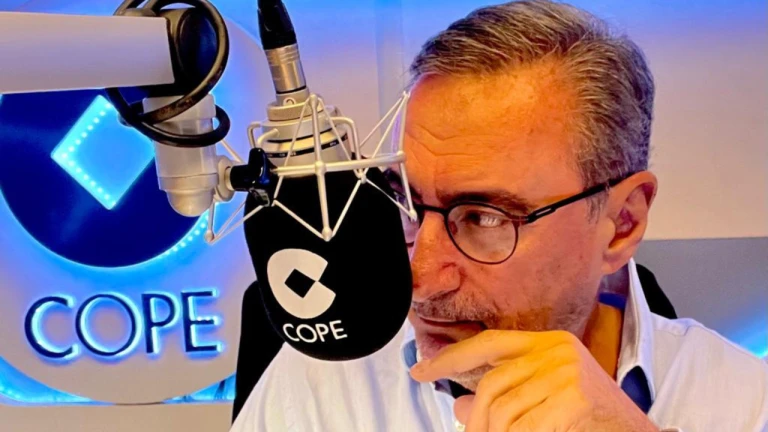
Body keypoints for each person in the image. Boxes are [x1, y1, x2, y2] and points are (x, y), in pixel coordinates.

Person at [231, 1, 768, 431]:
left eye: (484, 218)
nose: (420, 277)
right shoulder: (324, 381)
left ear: (621, 223)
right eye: (406, 203)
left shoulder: (745, 404)